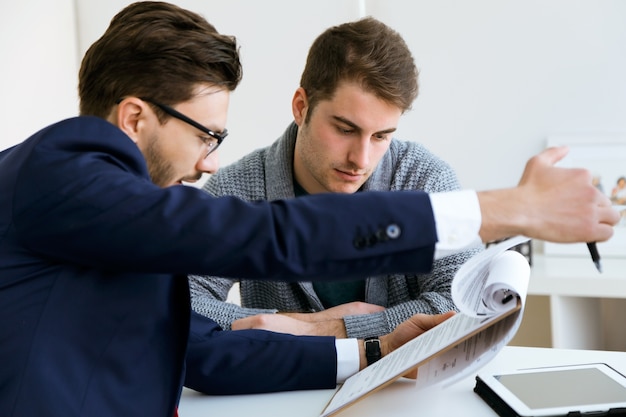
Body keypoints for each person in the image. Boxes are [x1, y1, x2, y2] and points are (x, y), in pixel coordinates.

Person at [0, 2, 618, 416]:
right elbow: (263, 235)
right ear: (135, 118)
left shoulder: (118, 218)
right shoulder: (60, 168)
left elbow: (206, 352)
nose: (210, 162)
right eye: (205, 135)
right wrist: (507, 209)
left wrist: (377, 351)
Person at [189, 17, 482, 340]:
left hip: (405, 389)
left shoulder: (425, 179)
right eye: (345, 130)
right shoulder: (236, 190)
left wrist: (332, 328)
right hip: (284, 390)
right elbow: (181, 302)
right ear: (301, 107)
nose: (361, 159)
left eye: (381, 136)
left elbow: (464, 302)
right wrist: (292, 324)